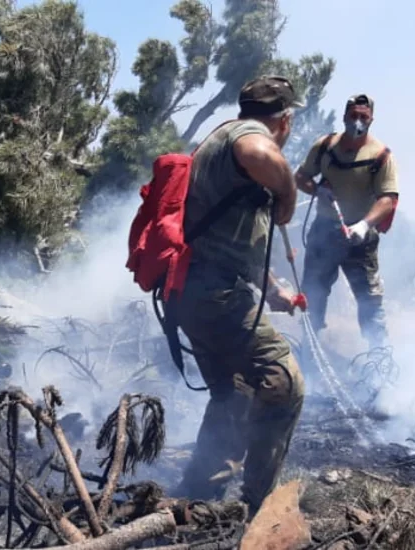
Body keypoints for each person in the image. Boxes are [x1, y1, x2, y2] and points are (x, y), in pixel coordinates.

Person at [172, 75, 306, 516]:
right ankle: (257, 505)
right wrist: (287, 192)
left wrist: (273, 289)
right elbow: (259, 151)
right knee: (283, 381)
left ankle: (199, 494)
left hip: (195, 290)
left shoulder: (221, 145)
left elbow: (230, 243)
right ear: (284, 120)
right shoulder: (246, 137)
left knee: (236, 390)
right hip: (214, 294)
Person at [295, 94, 399, 350]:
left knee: (370, 300)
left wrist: (364, 225)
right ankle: (309, 351)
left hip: (360, 239)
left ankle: (378, 357)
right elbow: (300, 177)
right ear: (344, 117)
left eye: (363, 116)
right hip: (324, 233)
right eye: (353, 115)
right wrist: (318, 190)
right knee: (313, 294)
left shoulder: (381, 155)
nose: (358, 121)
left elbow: (388, 199)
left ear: (371, 119)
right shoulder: (324, 147)